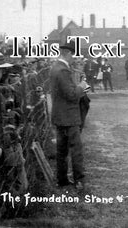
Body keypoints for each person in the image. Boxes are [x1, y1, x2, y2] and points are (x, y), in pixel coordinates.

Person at [50, 39, 89, 190]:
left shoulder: (55, 68)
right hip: (69, 117)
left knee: (61, 151)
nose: (74, 59)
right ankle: (79, 180)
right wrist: (82, 86)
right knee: (76, 150)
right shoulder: (63, 70)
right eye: (73, 55)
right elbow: (72, 94)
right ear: (68, 54)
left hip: (59, 116)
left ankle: (62, 180)